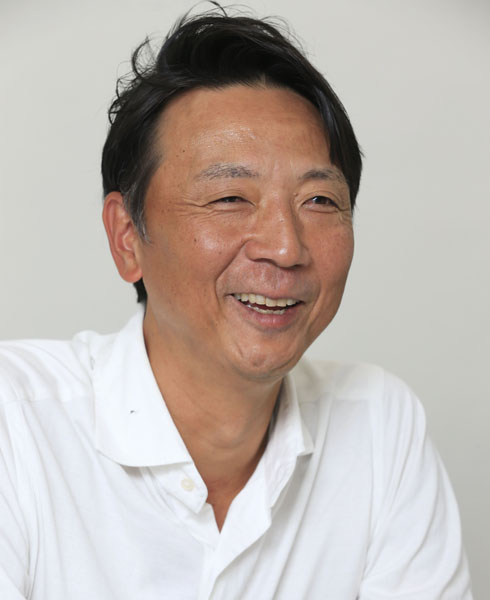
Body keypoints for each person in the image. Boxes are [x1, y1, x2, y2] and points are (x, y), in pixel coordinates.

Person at [0, 8, 472, 600]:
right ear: (126, 238)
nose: (285, 247)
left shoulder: (378, 426)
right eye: (229, 198)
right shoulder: (17, 423)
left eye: (320, 200)